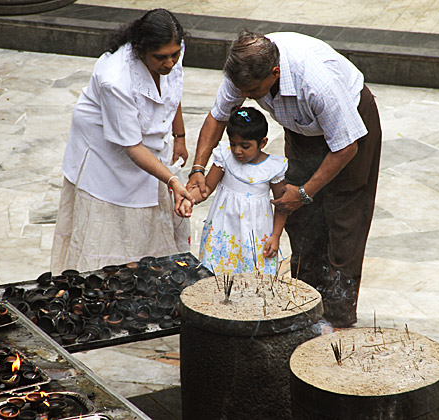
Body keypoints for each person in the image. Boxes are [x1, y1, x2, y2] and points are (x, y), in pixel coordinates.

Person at [187, 31, 382, 328]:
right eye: (242, 90)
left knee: (344, 218)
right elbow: (218, 117)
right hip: (304, 130)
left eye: (253, 90)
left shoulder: (318, 84)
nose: (247, 97)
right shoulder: (243, 69)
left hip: (352, 130)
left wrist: (305, 192)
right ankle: (305, 303)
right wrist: (198, 168)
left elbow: (346, 147)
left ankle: (338, 315)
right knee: (301, 218)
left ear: (275, 73)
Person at [51, 9, 195, 274]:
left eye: (175, 55)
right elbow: (132, 147)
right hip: (104, 153)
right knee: (116, 231)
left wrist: (180, 136)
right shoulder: (114, 80)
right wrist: (173, 180)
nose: (170, 63)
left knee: (151, 222)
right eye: (161, 58)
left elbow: (172, 92)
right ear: (140, 49)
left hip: (142, 145)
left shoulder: (172, 52)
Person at [181, 106, 288, 275]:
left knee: (253, 280)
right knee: (217, 277)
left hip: (255, 236)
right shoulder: (225, 158)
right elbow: (206, 188)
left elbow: (282, 204)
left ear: (263, 143)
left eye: (245, 146)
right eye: (233, 144)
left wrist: (275, 236)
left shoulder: (272, 168)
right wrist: (188, 199)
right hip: (224, 231)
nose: (237, 151)